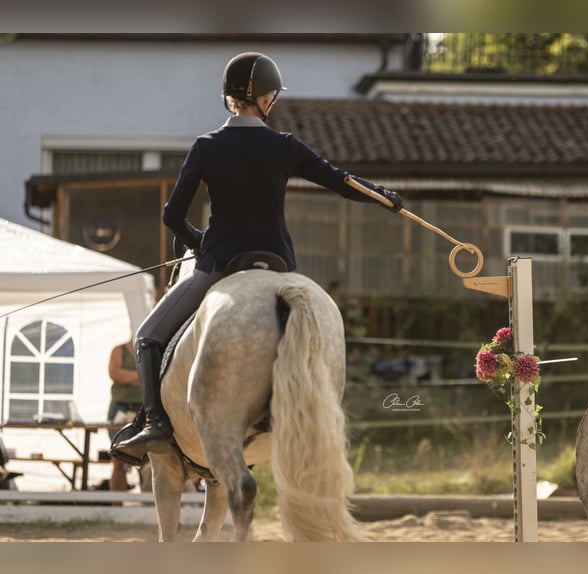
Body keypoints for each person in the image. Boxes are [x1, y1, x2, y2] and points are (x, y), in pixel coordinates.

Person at [112, 52, 402, 461]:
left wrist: (199, 243)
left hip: (219, 264)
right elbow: (340, 181)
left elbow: (171, 215)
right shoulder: (284, 145)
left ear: (228, 97)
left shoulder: (207, 146)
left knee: (147, 337)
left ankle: (155, 422)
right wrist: (386, 198)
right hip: (278, 262)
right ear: (267, 98)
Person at [106, 341, 143, 491]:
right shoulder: (119, 350)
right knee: (118, 457)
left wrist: (129, 377)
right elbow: (115, 374)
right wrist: (140, 375)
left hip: (142, 409)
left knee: (147, 459)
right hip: (120, 409)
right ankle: (117, 506)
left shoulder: (151, 349)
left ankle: (146, 503)